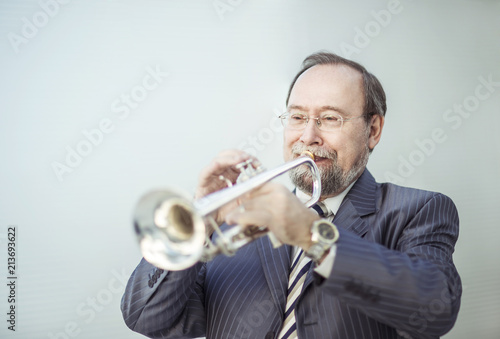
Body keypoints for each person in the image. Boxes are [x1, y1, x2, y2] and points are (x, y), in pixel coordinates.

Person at [121, 52, 461, 339]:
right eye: (297, 117)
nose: (308, 136)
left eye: (329, 118)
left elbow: (435, 309)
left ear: (372, 131)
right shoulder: (235, 220)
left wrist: (311, 234)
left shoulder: (416, 210)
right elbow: (146, 318)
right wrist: (199, 222)